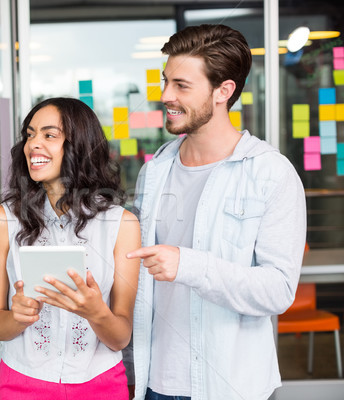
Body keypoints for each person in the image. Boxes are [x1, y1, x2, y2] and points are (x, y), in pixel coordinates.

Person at [126, 24, 306, 400]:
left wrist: (190, 265)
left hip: (229, 385)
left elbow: (278, 290)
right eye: (165, 82)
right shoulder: (154, 170)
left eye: (181, 85)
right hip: (154, 380)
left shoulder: (270, 172)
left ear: (224, 91)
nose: (165, 96)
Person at [0, 97, 141, 399]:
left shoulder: (123, 224)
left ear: (80, 145)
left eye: (49, 135)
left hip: (101, 384)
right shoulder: (1, 221)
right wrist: (17, 316)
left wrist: (97, 313)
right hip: (21, 383)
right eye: (30, 135)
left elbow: (120, 338)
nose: (33, 145)